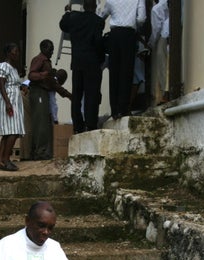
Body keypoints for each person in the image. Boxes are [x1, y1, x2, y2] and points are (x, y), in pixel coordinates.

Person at [59, 0, 105, 134]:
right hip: (92, 62)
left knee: (77, 95)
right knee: (92, 95)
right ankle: (91, 124)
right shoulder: (98, 21)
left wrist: (67, 12)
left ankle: (78, 126)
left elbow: (63, 25)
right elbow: (98, 42)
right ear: (95, 7)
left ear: (83, 6)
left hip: (77, 62)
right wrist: (101, 58)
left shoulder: (74, 18)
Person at [98, 0, 146, 120]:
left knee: (114, 72)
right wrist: (135, 26)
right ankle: (122, 109)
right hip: (129, 35)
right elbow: (141, 19)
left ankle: (114, 110)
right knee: (127, 71)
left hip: (114, 35)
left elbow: (101, 17)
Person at [27, 39, 71, 160]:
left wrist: (67, 94)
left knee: (43, 124)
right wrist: (45, 74)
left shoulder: (47, 61)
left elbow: (53, 84)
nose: (52, 51)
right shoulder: (39, 59)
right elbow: (31, 75)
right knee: (40, 124)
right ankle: (39, 152)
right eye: (50, 49)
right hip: (39, 92)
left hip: (43, 93)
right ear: (43, 48)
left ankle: (39, 151)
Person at [0, 43, 26, 172]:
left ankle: (1, 159)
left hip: (15, 99)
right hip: (8, 99)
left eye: (18, 52)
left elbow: (16, 84)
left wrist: (24, 85)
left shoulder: (14, 69)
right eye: (15, 52)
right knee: (13, 130)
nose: (17, 54)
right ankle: (6, 160)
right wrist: (7, 103)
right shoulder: (3, 66)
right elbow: (1, 85)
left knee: (9, 131)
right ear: (8, 53)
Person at [149, 0, 170, 105]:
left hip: (164, 36)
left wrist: (150, 44)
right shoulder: (167, 3)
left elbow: (156, 30)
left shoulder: (156, 9)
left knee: (162, 66)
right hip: (173, 35)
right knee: (168, 66)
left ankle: (165, 94)